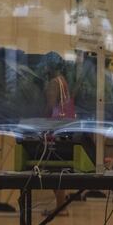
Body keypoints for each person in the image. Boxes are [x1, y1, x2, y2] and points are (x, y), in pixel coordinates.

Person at [43, 52, 75, 215]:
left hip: (53, 129)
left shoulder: (53, 83)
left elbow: (50, 106)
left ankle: (61, 206)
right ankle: (61, 204)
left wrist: (41, 119)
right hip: (64, 127)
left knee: (51, 167)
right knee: (57, 166)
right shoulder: (63, 80)